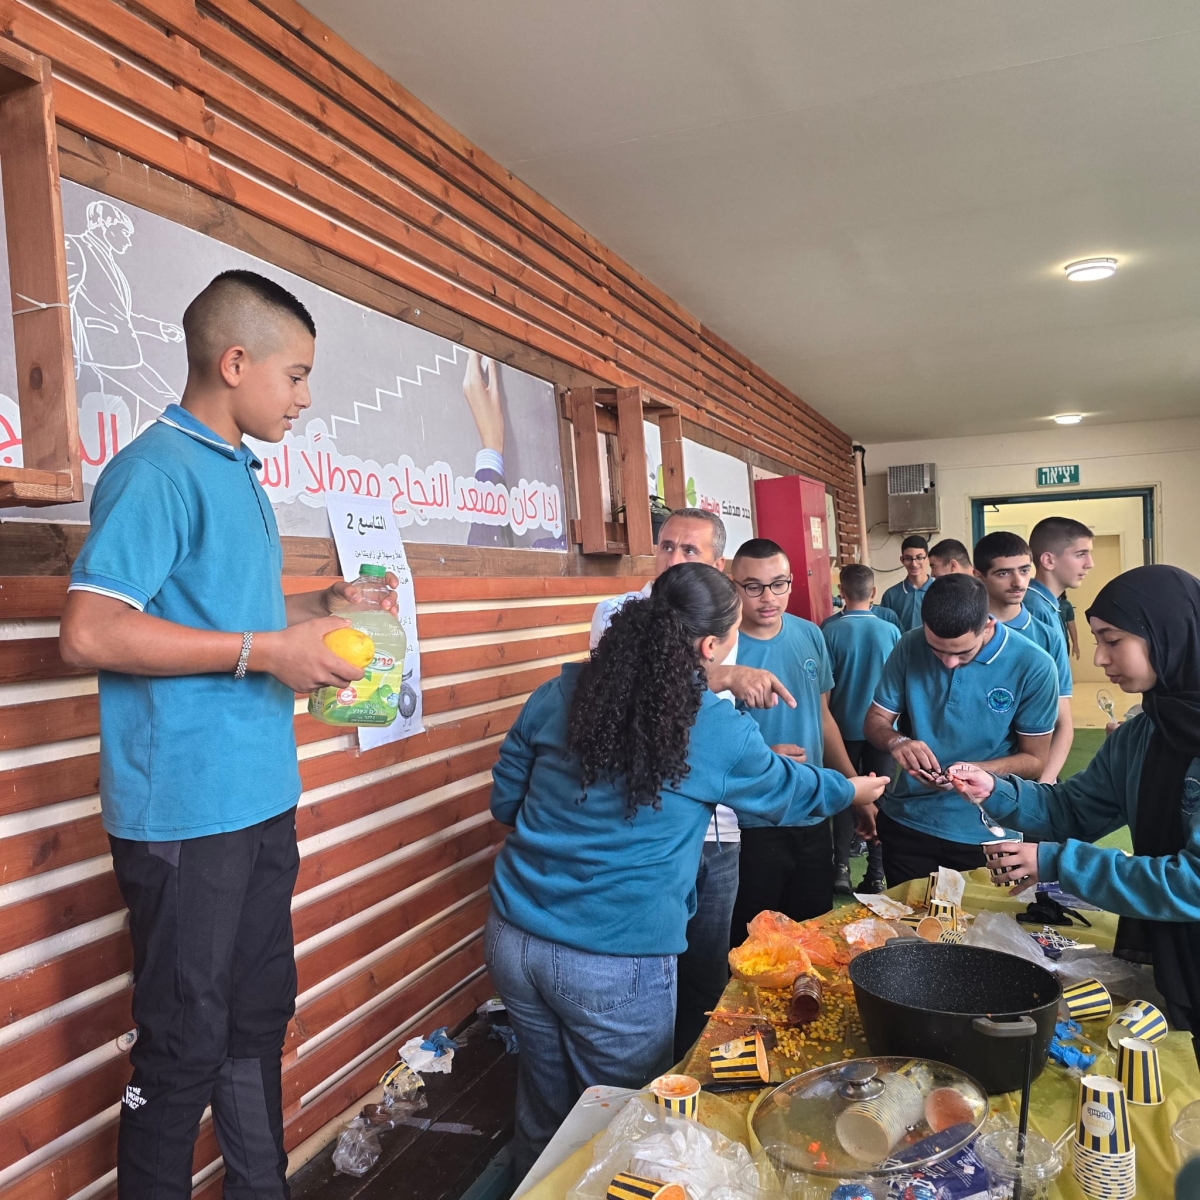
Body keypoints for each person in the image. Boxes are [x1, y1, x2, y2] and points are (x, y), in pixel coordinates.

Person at [58, 271, 393, 1199]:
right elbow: (89, 630)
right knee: (181, 1045)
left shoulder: (236, 468)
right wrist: (266, 650)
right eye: (297, 375)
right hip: (185, 813)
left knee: (255, 1018)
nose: (304, 397)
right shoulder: (156, 471)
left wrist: (317, 608)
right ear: (235, 363)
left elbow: (219, 613)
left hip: (259, 799)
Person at [486, 564, 887, 1173]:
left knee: (543, 1104)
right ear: (709, 646)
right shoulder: (712, 726)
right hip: (613, 956)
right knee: (627, 1121)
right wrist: (853, 789)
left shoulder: (559, 693)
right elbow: (790, 793)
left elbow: (506, 803)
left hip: (514, 937)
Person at [948, 566, 1200, 1065]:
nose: (1100, 658)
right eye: (1097, 640)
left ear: (1168, 635)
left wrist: (1059, 862)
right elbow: (1072, 808)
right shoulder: (1142, 734)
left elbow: (1192, 883)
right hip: (1173, 951)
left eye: (1113, 641)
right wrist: (996, 789)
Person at [589, 509, 795, 1063]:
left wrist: (753, 758)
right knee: (650, 969)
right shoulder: (618, 612)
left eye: (690, 550)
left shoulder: (725, 610)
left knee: (707, 968)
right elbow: (627, 686)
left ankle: (698, 1075)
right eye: (666, 546)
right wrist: (724, 675)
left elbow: (711, 721)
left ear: (717, 563)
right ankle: (654, 1078)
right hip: (650, 823)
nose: (673, 558)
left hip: (716, 825)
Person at [862, 574, 1059, 885]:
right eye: (937, 650)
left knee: (985, 918)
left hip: (988, 831)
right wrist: (897, 742)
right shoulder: (910, 644)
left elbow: (1035, 759)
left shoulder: (1034, 665)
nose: (949, 662)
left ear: (988, 626)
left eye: (963, 653)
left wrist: (974, 773)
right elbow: (875, 720)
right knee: (907, 915)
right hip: (909, 822)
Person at [729, 539, 861, 934]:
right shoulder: (721, 648)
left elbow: (823, 717)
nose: (768, 597)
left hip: (812, 809)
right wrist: (763, 758)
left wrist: (852, 786)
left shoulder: (810, 634)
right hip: (751, 820)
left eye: (778, 584)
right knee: (753, 943)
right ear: (734, 586)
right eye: (753, 586)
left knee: (812, 933)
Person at [974, 531, 1074, 782]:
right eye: (1003, 573)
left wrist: (1045, 783)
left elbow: (1063, 722)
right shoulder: (965, 634)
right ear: (979, 576)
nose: (1018, 582)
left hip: (1030, 777)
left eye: (1025, 570)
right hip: (971, 773)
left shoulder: (1047, 637)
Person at [823, 563, 899, 894]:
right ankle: (877, 873)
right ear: (874, 592)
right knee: (882, 797)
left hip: (840, 730)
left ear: (841, 592)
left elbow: (824, 687)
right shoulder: (891, 631)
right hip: (883, 730)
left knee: (844, 795)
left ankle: (840, 869)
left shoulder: (829, 630)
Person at [1027, 516, 1094, 639]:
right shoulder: (1034, 608)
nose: (1090, 564)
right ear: (1048, 560)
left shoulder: (1047, 604)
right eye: (1080, 554)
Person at [880, 535, 932, 630]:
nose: (914, 564)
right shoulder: (890, 595)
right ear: (902, 560)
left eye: (919, 558)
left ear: (927, 559)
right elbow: (885, 630)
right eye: (908, 558)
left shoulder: (940, 591)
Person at [1061, 594, 1081, 659]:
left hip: (1063, 641)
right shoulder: (1042, 602)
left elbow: (1071, 625)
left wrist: (1075, 644)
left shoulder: (1066, 604)